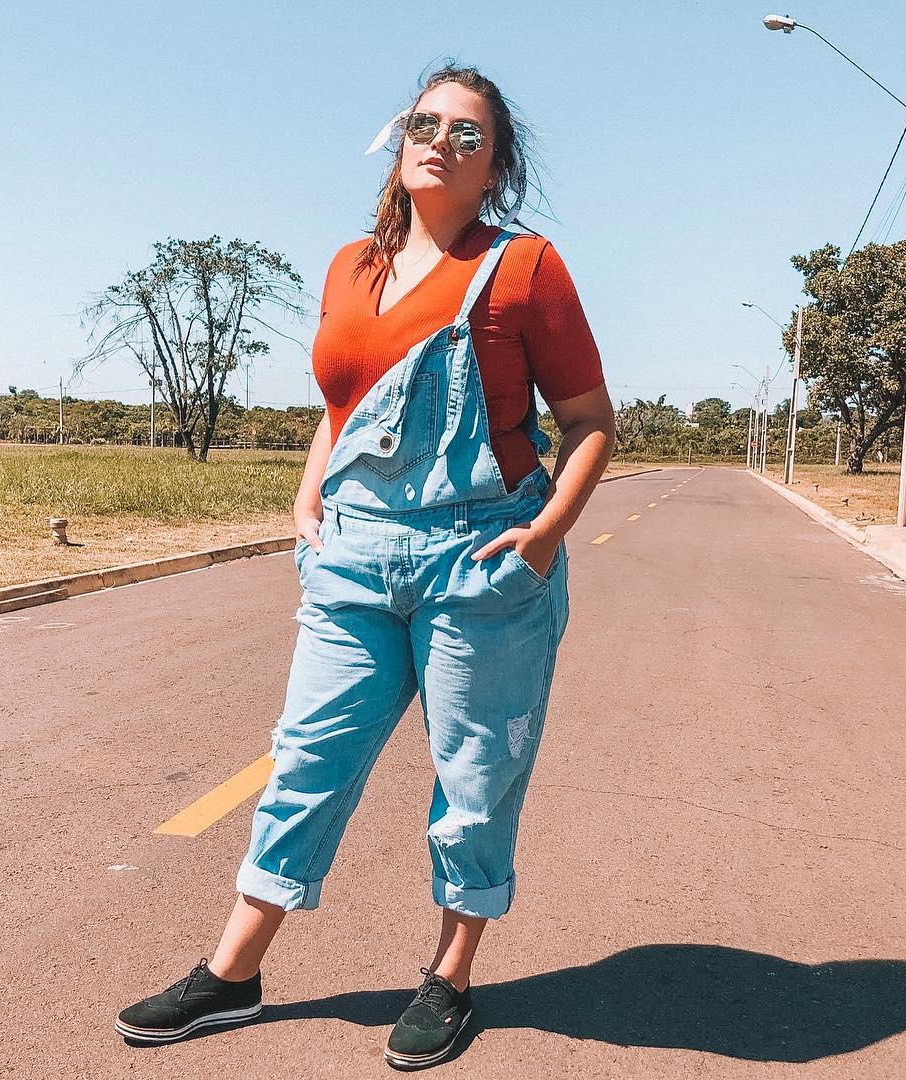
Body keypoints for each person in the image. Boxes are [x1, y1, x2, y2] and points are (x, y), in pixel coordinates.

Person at [115, 64, 615, 1070]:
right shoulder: (353, 265)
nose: (441, 142)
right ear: (399, 141)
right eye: (425, 123)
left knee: (474, 779)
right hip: (353, 555)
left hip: (480, 558)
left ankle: (450, 977)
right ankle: (234, 973)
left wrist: (546, 535)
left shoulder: (525, 267)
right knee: (307, 759)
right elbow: (344, 408)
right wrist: (307, 497)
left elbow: (590, 421)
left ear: (495, 166)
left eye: (468, 134)